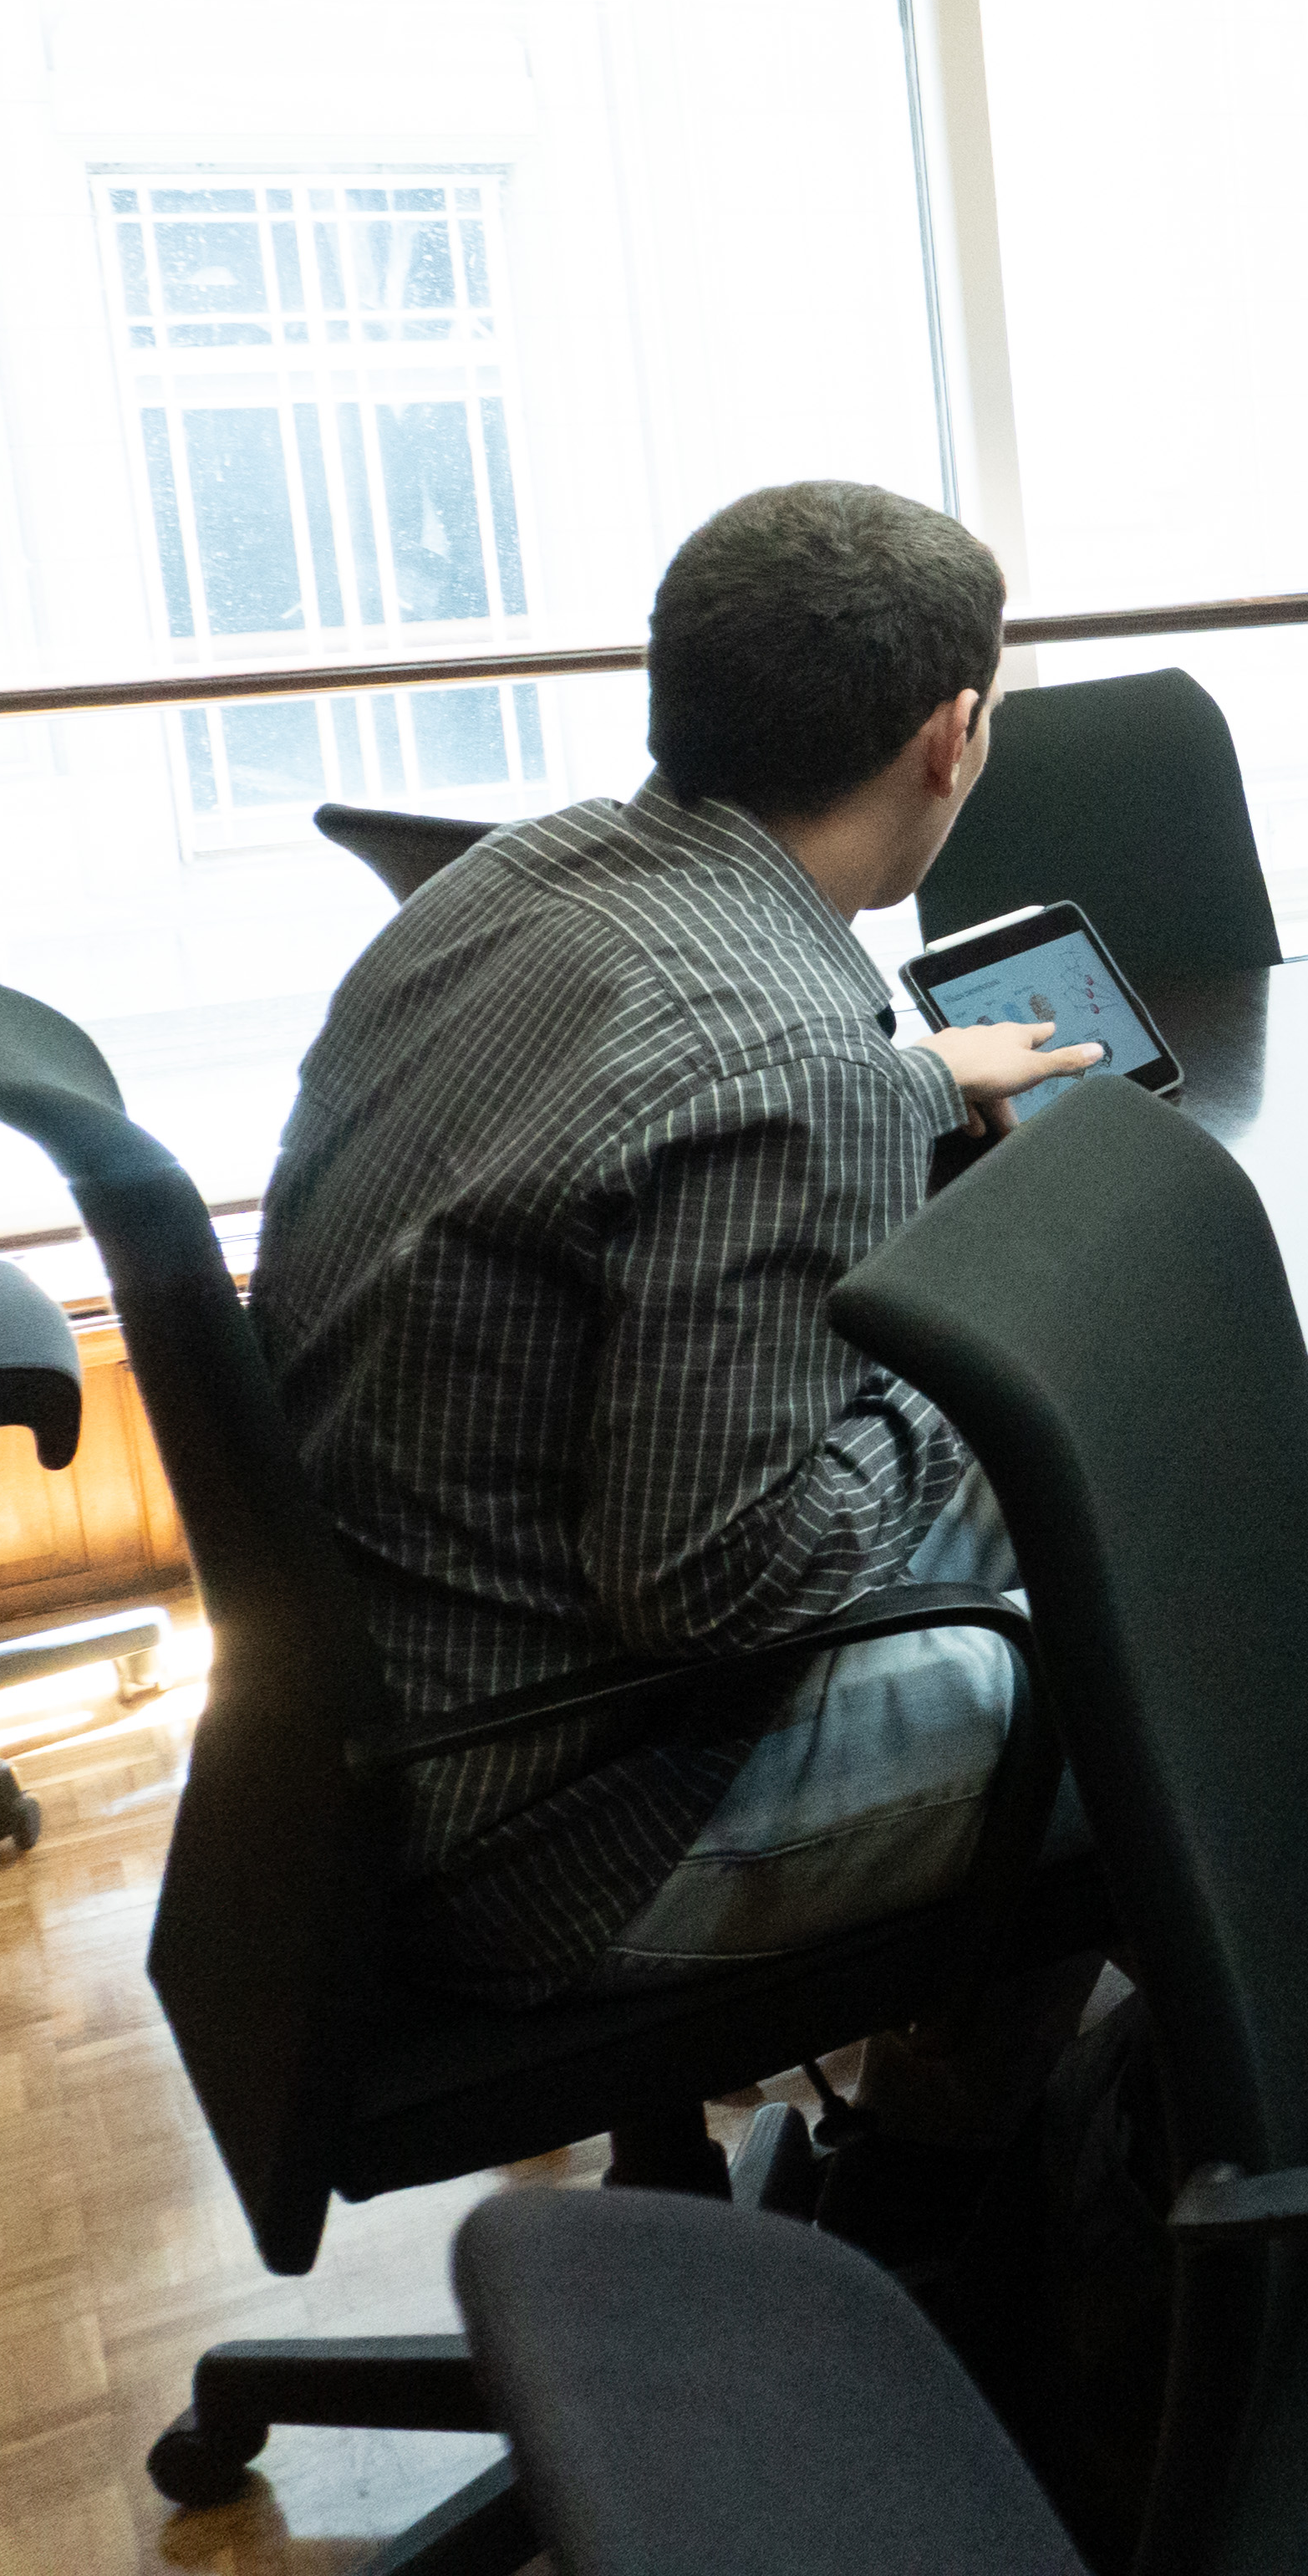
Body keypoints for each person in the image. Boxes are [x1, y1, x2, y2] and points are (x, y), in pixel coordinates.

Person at [258, 482, 1100, 2012]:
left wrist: (913, 1082)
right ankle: (989, 2161)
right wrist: (964, 1332)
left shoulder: (522, 874)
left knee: (1114, 1501)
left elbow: (651, 1115)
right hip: (569, 1822)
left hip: (386, 1724)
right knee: (1203, 1680)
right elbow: (719, 1589)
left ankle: (973, 2133)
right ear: (950, 734)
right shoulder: (790, 1069)